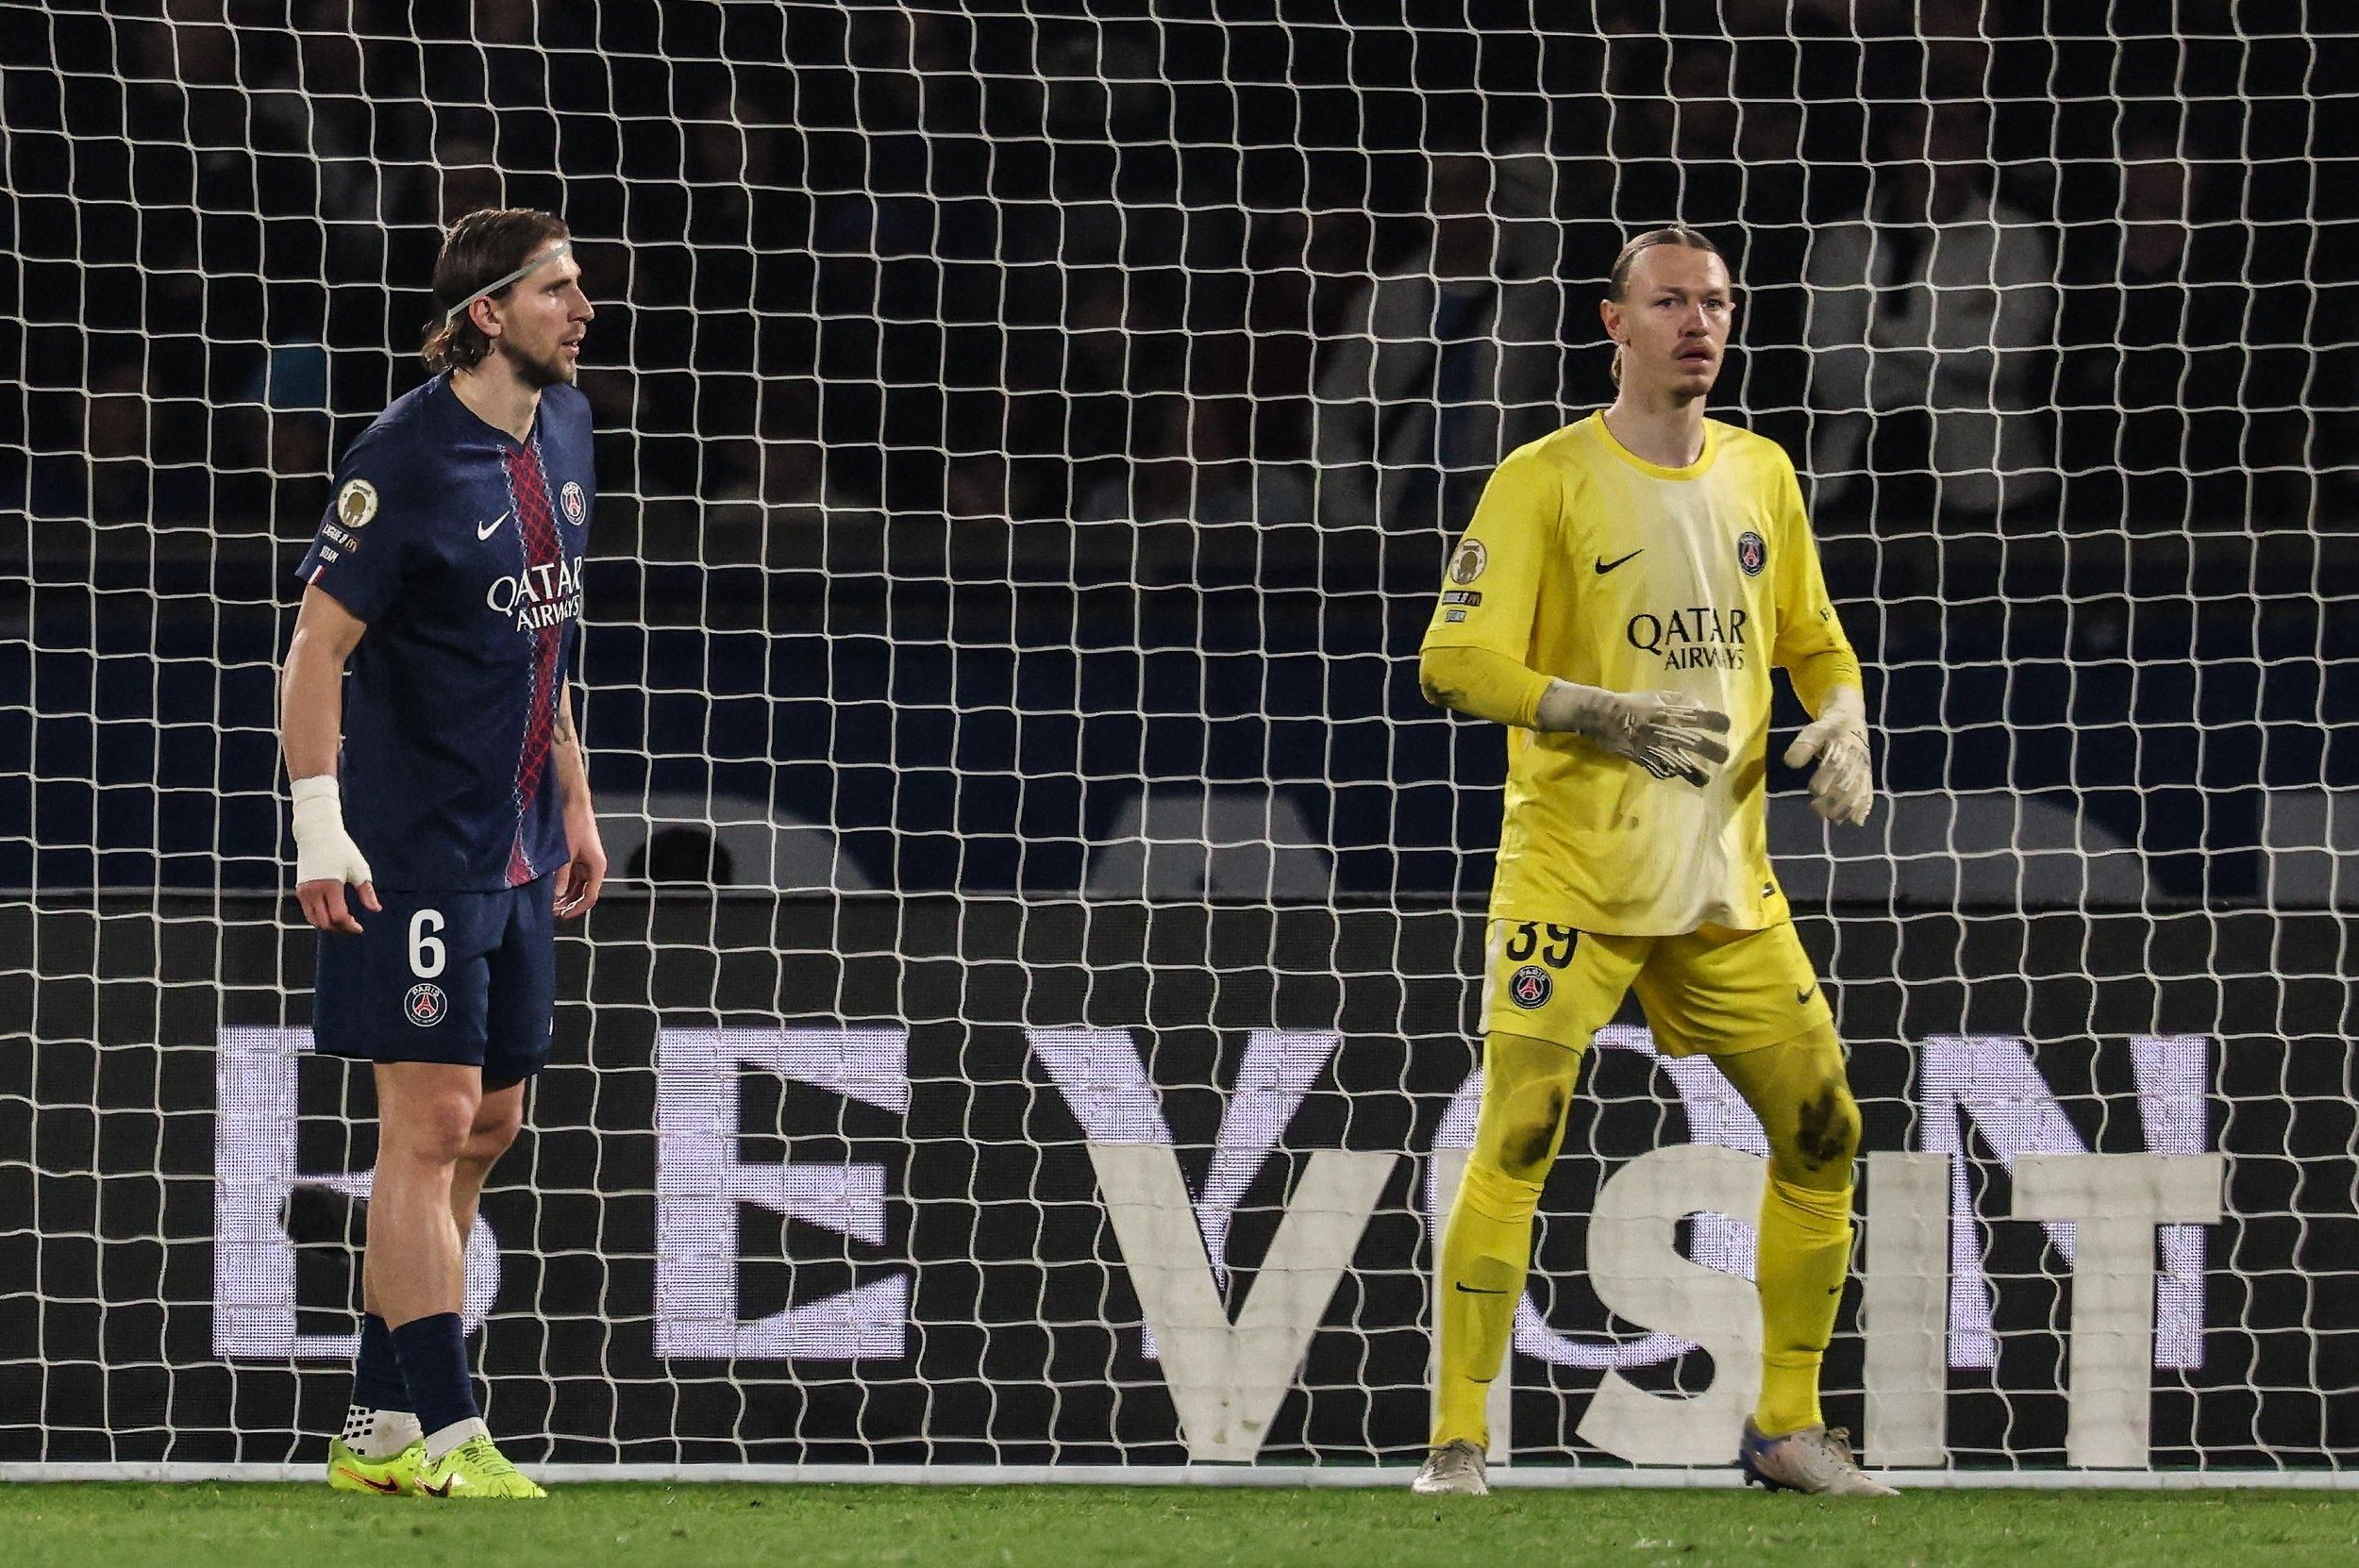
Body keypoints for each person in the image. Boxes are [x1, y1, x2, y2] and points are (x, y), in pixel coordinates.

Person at [1412, 227, 1891, 1498]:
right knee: (1519, 1128)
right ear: (1613, 323)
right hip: (1572, 876)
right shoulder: (1544, 478)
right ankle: (1457, 1441)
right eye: (1670, 301)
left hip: (1725, 887)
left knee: (1825, 1131)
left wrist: (1844, 715)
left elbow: (1814, 638)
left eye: (1718, 302)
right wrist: (1599, 710)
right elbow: (1452, 661)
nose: (1700, 322)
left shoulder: (1763, 473)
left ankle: (1788, 1426)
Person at [280, 208, 604, 1501]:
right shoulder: (401, 458)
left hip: (520, 842)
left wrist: (574, 799)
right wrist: (321, 822)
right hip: (414, 848)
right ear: (490, 313)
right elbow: (313, 650)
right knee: (427, 1125)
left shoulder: (569, 433)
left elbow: (545, 639)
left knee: (493, 1124)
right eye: (560, 290)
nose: (583, 309)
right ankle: (455, 1433)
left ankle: (374, 1424)